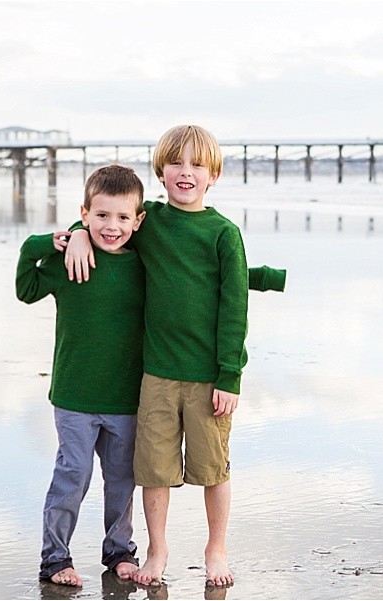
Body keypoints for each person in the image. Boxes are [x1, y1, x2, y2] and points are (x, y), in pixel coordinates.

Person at [65, 125, 277, 588]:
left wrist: (230, 376)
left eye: (197, 165)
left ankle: (216, 549)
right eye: (176, 163)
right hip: (157, 375)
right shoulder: (151, 223)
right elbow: (110, 224)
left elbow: (233, 306)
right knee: (154, 469)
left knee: (213, 468)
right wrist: (78, 233)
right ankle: (157, 550)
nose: (186, 172)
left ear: (213, 175)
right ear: (160, 172)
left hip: (208, 378)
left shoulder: (223, 233)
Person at [16, 164, 148, 587]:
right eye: (101, 215)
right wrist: (47, 242)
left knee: (122, 479)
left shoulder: (144, 264)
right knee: (73, 475)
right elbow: (26, 289)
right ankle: (55, 558)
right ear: (85, 213)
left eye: (123, 217)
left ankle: (119, 552)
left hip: (125, 398)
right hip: (74, 395)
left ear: (138, 220)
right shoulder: (71, 259)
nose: (112, 226)